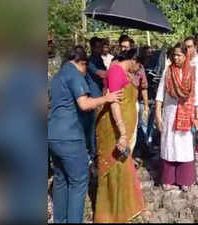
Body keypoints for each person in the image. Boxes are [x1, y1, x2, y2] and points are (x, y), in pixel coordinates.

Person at [48, 46, 122, 223]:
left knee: (61, 180)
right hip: (70, 137)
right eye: (85, 69)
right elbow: (84, 103)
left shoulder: (57, 77)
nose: (84, 73)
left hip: (52, 135)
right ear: (82, 63)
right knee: (79, 182)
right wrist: (106, 98)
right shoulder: (74, 74)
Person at [94, 49, 145, 223]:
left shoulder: (125, 73)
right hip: (113, 129)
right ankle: (111, 212)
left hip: (122, 128)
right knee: (113, 166)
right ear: (133, 59)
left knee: (123, 166)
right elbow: (114, 103)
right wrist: (122, 133)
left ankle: (124, 208)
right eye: (139, 65)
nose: (139, 69)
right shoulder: (116, 70)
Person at [155, 42, 198, 192]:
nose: (176, 58)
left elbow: (196, 96)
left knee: (184, 146)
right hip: (169, 113)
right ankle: (168, 179)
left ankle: (184, 179)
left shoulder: (192, 72)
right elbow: (160, 94)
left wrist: (197, 116)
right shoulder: (168, 72)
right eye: (174, 55)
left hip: (186, 114)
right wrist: (158, 116)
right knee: (169, 144)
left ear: (186, 56)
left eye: (179, 55)